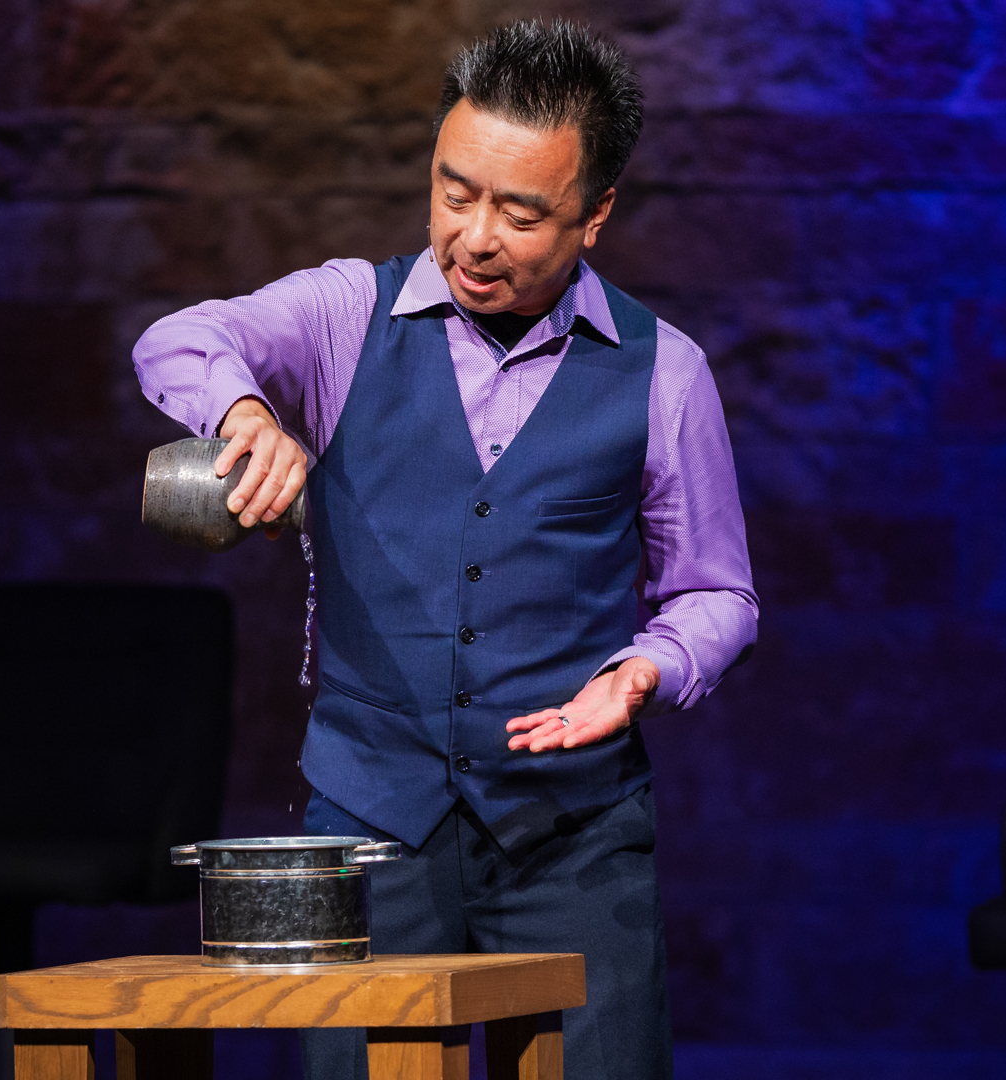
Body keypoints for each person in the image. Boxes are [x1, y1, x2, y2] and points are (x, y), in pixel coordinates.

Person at [132, 20, 757, 1079]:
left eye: (521, 213)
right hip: (372, 826)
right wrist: (244, 413)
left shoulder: (665, 373)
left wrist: (645, 671)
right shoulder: (347, 315)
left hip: (572, 836)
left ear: (595, 214)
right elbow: (181, 338)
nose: (474, 237)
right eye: (454, 192)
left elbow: (716, 592)